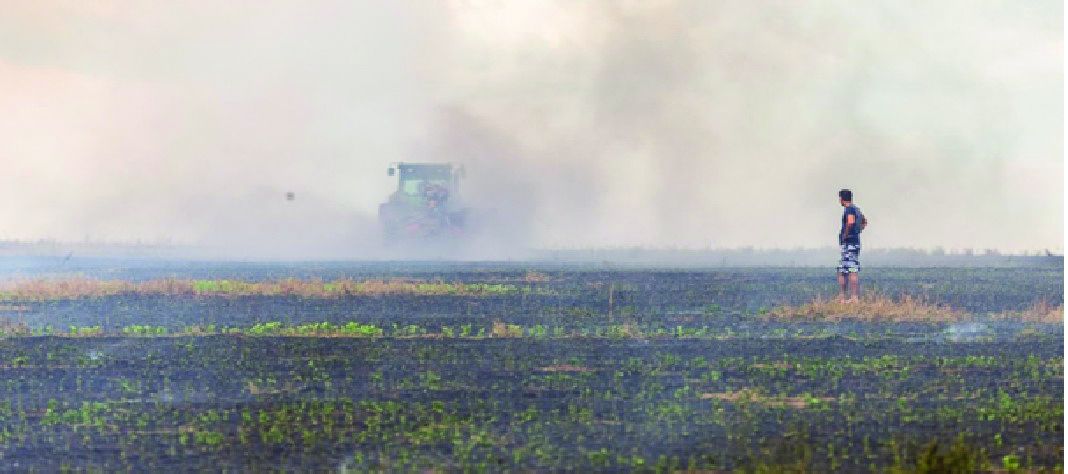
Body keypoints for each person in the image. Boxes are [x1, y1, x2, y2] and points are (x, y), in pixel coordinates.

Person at [837, 189, 863, 302]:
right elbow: (864, 221)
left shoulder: (849, 210)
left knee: (847, 270)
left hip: (849, 244)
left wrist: (846, 235)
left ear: (842, 199)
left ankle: (849, 298)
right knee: (848, 269)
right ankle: (849, 297)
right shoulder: (856, 209)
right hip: (855, 243)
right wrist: (857, 231)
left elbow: (850, 222)